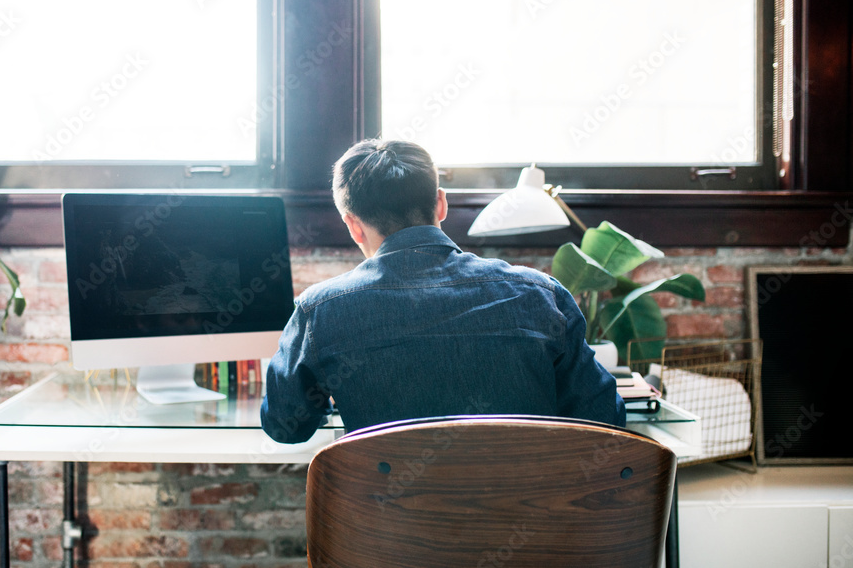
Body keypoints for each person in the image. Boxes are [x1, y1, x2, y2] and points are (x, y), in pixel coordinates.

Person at [260, 139, 624, 443]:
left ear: (353, 226)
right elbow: (605, 419)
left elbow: (286, 427)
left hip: (389, 527)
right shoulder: (542, 294)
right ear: (441, 203)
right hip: (529, 523)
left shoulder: (320, 311)